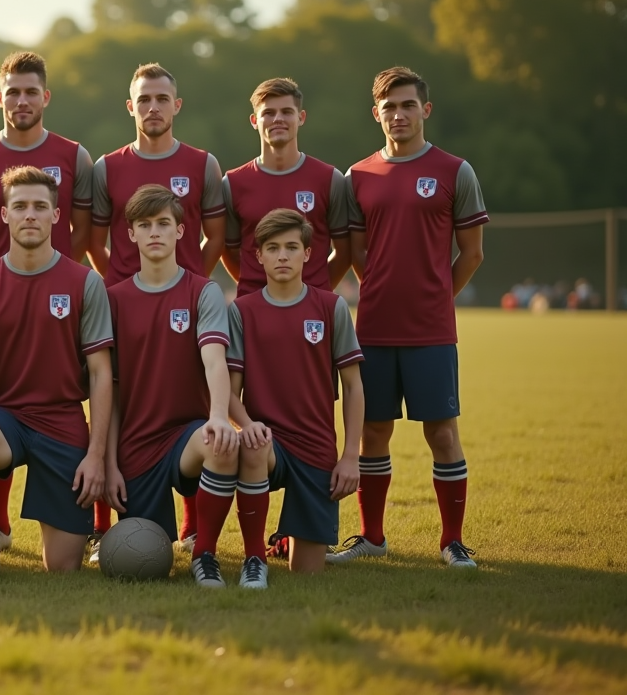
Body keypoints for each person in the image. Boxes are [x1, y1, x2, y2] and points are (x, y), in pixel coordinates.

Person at [332, 67, 487, 569]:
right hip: (373, 328)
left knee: (441, 432)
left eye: (407, 105)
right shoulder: (357, 176)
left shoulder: (454, 170)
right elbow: (357, 253)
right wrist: (381, 289)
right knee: (374, 431)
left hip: (431, 331)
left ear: (426, 109)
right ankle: (371, 536)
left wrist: (435, 295)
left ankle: (452, 541)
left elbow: (472, 253)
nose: (399, 115)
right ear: (376, 114)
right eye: (389, 107)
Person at [0, 165, 114, 586]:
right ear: (3, 215)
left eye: (40, 206)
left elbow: (101, 373)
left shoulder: (85, 282)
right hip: (6, 418)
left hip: (62, 422)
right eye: (20, 206)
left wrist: (95, 455)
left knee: (62, 567)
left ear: (58, 215)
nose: (30, 215)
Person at [0, 50, 94, 554]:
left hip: (59, 297)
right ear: (0, 98)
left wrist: (67, 279)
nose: (21, 100)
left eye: (30, 91)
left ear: (45, 97)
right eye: (12, 92)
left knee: (65, 397)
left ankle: (87, 520)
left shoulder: (75, 156)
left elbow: (84, 232)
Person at [88, 63, 227, 551]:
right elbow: (93, 238)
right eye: (143, 100)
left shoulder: (203, 164)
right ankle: (102, 523)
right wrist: (120, 283)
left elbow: (216, 238)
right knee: (118, 396)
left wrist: (193, 278)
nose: (152, 108)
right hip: (125, 304)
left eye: (161, 99)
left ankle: (193, 528)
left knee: (189, 395)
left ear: (176, 105)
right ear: (131, 107)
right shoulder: (108, 167)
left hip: (184, 303)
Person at [103, 185, 241, 587]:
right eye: (144, 225)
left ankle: (205, 554)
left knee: (219, 441)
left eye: (164, 223)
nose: (155, 233)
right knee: (148, 553)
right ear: (130, 234)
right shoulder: (113, 299)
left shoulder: (203, 291)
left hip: (186, 436)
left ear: (182, 231)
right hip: (135, 446)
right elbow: (107, 391)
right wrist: (110, 463)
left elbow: (215, 361)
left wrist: (218, 418)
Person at [228, 208, 365, 588]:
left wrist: (351, 456)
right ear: (259, 256)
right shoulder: (242, 311)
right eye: (273, 248)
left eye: (292, 247)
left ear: (308, 253)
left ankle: (286, 537)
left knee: (306, 573)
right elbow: (229, 392)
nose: (283, 256)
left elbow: (353, 386)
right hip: (267, 441)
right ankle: (253, 557)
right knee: (253, 446)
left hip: (316, 449)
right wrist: (248, 424)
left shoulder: (331, 307)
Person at [222, 78, 351, 298]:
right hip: (253, 310)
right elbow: (229, 251)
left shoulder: (330, 179)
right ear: (254, 120)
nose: (278, 119)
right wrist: (261, 289)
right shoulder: (232, 183)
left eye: (286, 112)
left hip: (313, 314)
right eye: (268, 113)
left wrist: (317, 290)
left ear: (301, 118)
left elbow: (344, 252)